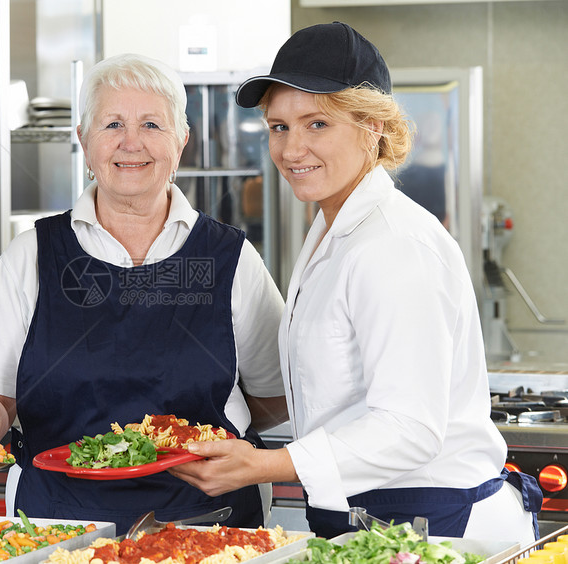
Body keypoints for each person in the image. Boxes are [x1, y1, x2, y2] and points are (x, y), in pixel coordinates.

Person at [168, 22, 542, 543]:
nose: (292, 148)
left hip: (435, 526)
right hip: (371, 520)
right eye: (278, 127)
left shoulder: (393, 244)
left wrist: (262, 466)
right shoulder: (332, 228)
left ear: (373, 126)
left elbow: (410, 429)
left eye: (317, 123)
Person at [0, 53, 288, 534]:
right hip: (59, 527)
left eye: (151, 124)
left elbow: (274, 397)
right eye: (112, 124)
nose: (131, 142)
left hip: (207, 527)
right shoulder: (32, 256)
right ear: (83, 139)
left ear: (181, 140)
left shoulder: (230, 257)